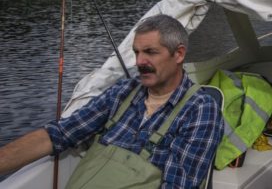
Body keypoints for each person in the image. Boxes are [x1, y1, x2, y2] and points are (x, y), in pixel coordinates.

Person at [0, 14, 224, 188]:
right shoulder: (123, 91)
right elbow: (60, 134)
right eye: (136, 52)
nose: (139, 61)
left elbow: (178, 185)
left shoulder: (200, 110)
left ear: (179, 54)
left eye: (150, 52)